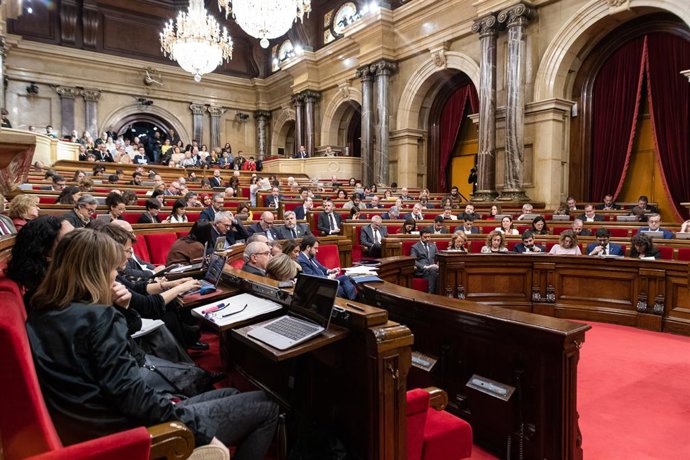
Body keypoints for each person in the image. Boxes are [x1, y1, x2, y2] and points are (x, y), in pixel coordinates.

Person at [27, 229, 279, 456]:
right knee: (267, 407)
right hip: (133, 434)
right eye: (114, 270)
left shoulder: (42, 309)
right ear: (97, 271)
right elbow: (132, 396)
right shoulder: (99, 318)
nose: (116, 277)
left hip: (98, 423)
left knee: (232, 393)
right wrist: (197, 429)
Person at [6, 215, 75, 305]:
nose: (78, 242)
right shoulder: (45, 292)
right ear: (45, 252)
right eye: (69, 240)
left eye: (76, 234)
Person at [410, 228, 438, 293]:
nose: (428, 239)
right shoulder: (415, 247)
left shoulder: (433, 246)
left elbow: (438, 257)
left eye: (429, 237)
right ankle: (431, 294)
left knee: (437, 270)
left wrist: (438, 265)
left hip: (433, 269)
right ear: (420, 237)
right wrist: (424, 267)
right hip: (422, 270)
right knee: (433, 270)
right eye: (425, 237)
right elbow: (413, 260)